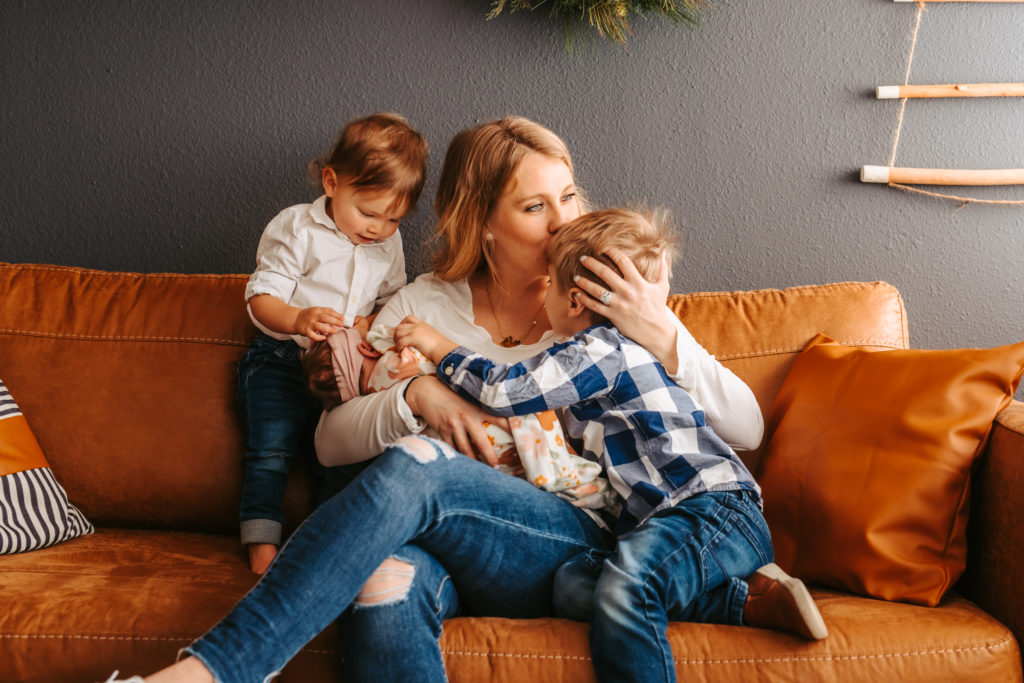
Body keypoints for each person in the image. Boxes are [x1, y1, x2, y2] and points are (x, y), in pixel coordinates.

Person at [105, 115, 764, 683]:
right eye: (535, 207)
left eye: (567, 195)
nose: (565, 220)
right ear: (484, 223)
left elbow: (747, 427)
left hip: (562, 543)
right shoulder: (423, 303)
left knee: (421, 461)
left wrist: (662, 329)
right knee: (382, 576)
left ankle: (213, 670)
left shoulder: (604, 303)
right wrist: (420, 394)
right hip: (445, 541)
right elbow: (329, 442)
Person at [395, 207, 828, 683]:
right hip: (667, 524)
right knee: (573, 583)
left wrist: (437, 347)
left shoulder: (601, 350)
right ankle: (746, 603)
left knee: (627, 587)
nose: (543, 302)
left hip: (712, 510)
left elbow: (506, 391)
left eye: (549, 288)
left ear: (575, 301)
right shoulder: (601, 363)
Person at [237, 113, 427, 573]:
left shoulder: (389, 242)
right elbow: (260, 297)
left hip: (341, 368)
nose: (378, 227)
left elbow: (389, 299)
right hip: (281, 357)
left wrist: (371, 322)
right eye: (368, 212)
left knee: (340, 457)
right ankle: (261, 541)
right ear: (331, 182)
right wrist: (298, 318)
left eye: (393, 218)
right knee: (271, 449)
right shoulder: (297, 228)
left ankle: (323, 541)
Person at [302, 317, 615, 508]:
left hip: (478, 466)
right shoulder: (398, 353)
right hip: (494, 448)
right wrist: (418, 392)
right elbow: (326, 445)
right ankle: (575, 486)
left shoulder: (374, 385)